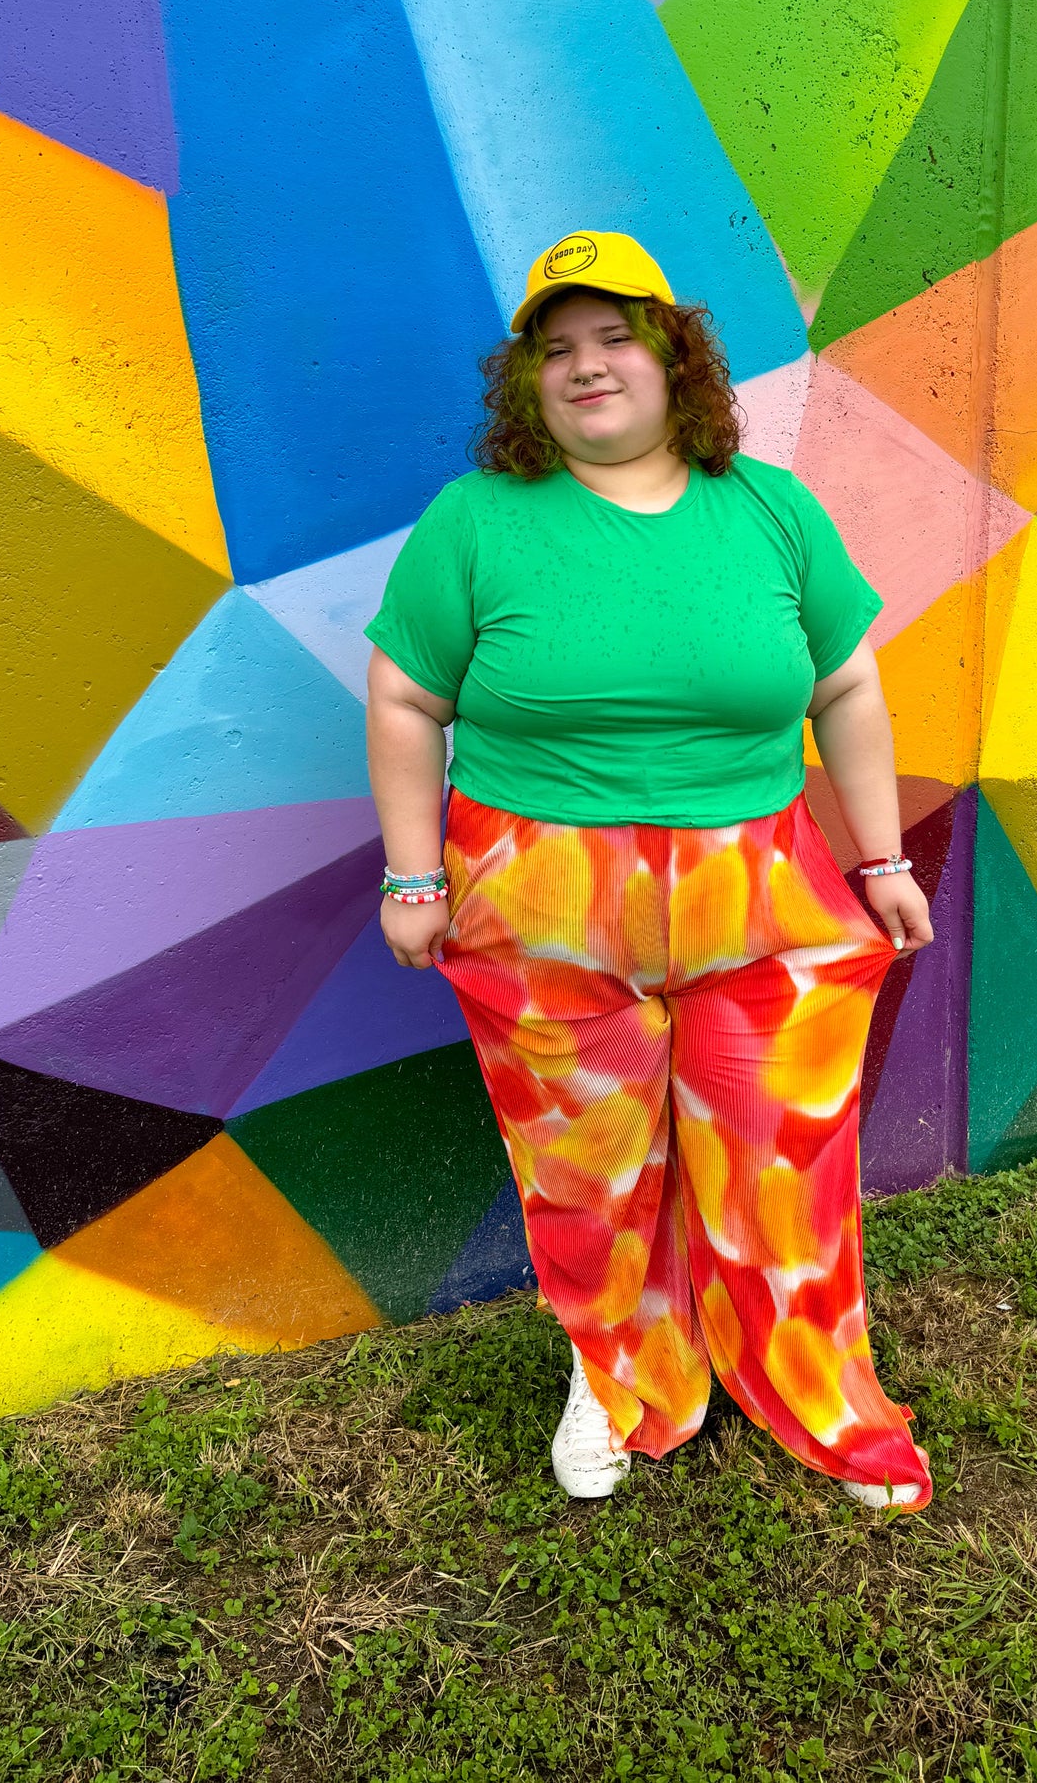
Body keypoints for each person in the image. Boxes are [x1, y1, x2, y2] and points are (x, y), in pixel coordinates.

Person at [364, 231, 935, 1513]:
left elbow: (845, 687)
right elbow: (404, 699)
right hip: (538, 901)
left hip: (763, 889)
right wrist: (411, 880)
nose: (587, 365)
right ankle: (618, 1375)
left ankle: (816, 1390)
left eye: (614, 336)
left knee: (781, 1156)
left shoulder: (771, 510)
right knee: (589, 1166)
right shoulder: (476, 520)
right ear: (527, 383)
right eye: (556, 348)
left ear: (675, 358)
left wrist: (881, 856)